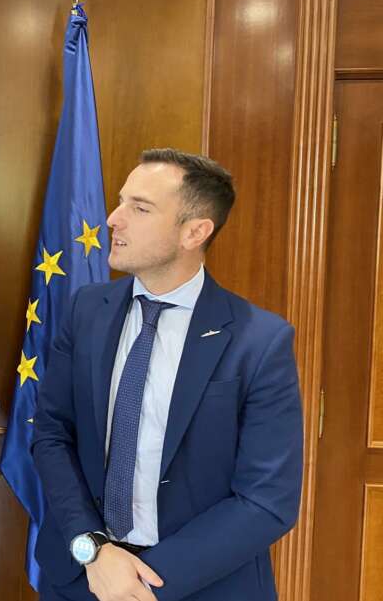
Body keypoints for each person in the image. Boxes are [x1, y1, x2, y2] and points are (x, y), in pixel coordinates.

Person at [31, 149, 303, 601]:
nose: (113, 218)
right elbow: (51, 435)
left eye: (139, 208)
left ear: (195, 231)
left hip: (202, 584)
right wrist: (95, 551)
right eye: (121, 201)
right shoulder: (85, 312)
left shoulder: (260, 341)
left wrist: (144, 582)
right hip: (84, 578)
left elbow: (267, 500)